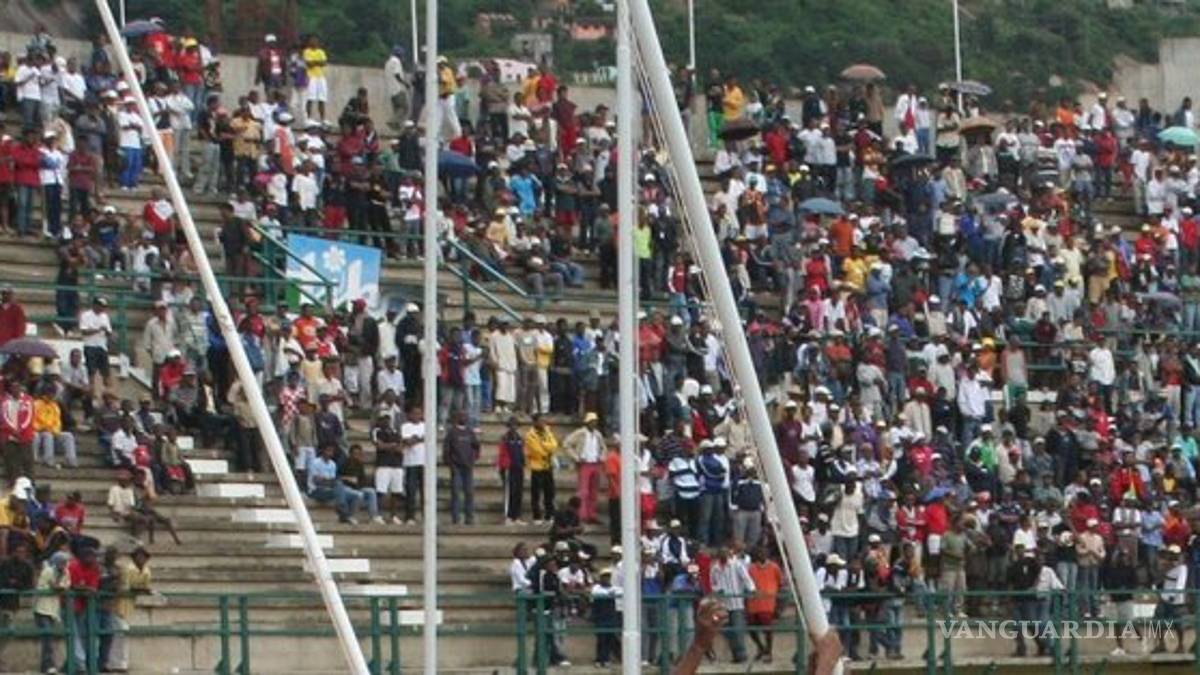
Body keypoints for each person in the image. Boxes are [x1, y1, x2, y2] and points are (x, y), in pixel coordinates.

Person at [708, 546, 755, 663]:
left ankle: (741, 655)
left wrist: (751, 589)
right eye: (721, 553)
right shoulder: (715, 568)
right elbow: (712, 583)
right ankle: (735, 653)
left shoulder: (736, 565)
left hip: (736, 603)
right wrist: (717, 589)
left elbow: (746, 578)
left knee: (737, 629)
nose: (723, 555)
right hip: (722, 604)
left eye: (725, 553)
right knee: (726, 630)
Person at [563, 412, 605, 524]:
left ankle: (592, 514)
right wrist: (576, 457)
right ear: (587, 422)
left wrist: (601, 457)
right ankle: (582, 515)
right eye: (592, 421)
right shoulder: (580, 433)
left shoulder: (598, 434)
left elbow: (603, 448)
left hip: (595, 463)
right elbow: (566, 444)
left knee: (594, 491)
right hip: (584, 464)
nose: (594, 423)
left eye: (595, 421)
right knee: (584, 491)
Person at [33, 550, 70, 673]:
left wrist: (59, 587)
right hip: (42, 609)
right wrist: (52, 587)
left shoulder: (66, 572)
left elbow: (66, 585)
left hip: (54, 609)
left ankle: (46, 665)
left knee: (50, 638)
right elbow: (40, 587)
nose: (64, 564)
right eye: (62, 562)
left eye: (65, 562)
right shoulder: (48, 571)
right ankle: (48, 665)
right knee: (47, 637)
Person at [745, 547, 783, 663]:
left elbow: (780, 584)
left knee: (768, 630)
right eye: (759, 553)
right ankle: (761, 647)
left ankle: (769, 652)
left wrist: (778, 605)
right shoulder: (751, 568)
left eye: (763, 553)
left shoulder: (774, 567)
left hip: (768, 603)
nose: (761, 555)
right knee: (751, 628)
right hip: (753, 603)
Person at [443, 410, 480, 525]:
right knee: (456, 493)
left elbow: (476, 446)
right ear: (456, 418)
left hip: (468, 467)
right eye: (461, 416)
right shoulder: (452, 432)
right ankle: (456, 518)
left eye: (465, 416)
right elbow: (446, 450)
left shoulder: (470, 432)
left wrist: (473, 459)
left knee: (469, 493)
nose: (463, 418)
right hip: (456, 468)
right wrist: (451, 464)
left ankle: (469, 518)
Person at [526, 413, 559, 524]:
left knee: (550, 492)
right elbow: (536, 451)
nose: (543, 423)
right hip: (537, 467)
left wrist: (544, 445)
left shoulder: (548, 431)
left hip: (548, 466)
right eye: (540, 421)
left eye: (544, 421)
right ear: (535, 422)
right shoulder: (530, 435)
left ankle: (549, 515)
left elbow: (554, 445)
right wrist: (547, 449)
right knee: (536, 494)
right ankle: (537, 517)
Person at [590, 568, 621, 667]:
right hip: (600, 616)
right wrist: (609, 593)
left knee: (609, 638)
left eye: (608, 577)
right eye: (604, 577)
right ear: (601, 578)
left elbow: (620, 592)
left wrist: (610, 592)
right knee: (601, 639)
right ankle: (599, 659)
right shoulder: (596, 587)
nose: (606, 579)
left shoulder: (614, 588)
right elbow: (595, 593)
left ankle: (606, 659)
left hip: (611, 616)